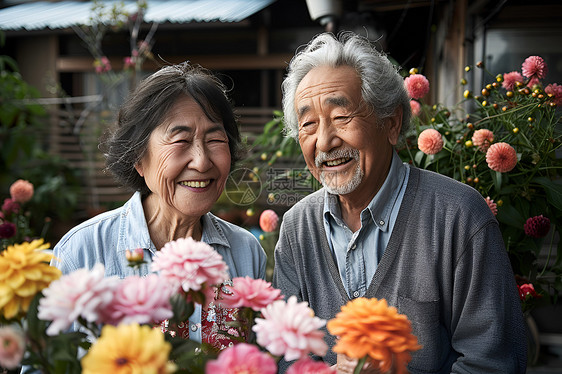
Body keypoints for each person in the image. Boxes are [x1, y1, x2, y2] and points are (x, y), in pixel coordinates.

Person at [273, 32, 527, 373]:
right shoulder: (296, 227)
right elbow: (286, 356)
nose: (325, 141)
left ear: (391, 124)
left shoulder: (459, 215)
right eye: (308, 124)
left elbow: (494, 364)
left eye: (341, 117)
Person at [51, 62, 267, 350]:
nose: (202, 162)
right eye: (181, 140)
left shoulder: (245, 251)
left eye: (215, 139)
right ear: (139, 157)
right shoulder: (82, 252)